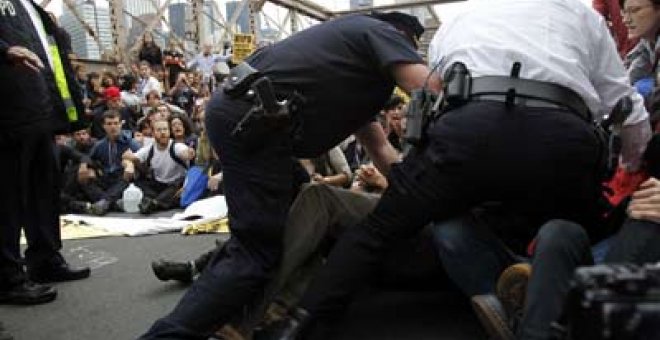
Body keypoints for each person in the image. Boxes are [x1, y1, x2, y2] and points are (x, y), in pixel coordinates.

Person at [257, 0, 652, 338]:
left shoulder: (463, 18)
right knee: (571, 233)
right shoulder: (579, 14)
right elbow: (625, 106)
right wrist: (633, 165)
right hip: (561, 138)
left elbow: (435, 88)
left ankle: (298, 325)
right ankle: (549, 308)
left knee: (376, 232)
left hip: (468, 133)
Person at [140, 11, 436, 339]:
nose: (407, 54)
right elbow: (431, 86)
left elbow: (380, 149)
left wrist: (412, 194)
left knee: (298, 211)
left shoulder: (356, 76)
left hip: (258, 122)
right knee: (254, 251)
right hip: (257, 122)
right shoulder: (377, 32)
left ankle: (259, 311)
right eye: (410, 47)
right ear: (401, 37)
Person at [0, 0, 90, 305]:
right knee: (9, 195)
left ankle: (45, 259)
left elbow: (54, 60)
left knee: (44, 188)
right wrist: (4, 50)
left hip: (41, 110)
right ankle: (6, 276)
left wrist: (68, 112)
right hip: (10, 109)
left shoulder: (31, 8)